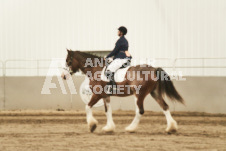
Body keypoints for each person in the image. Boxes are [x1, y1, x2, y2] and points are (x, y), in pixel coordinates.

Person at [105, 26, 132, 94]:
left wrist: (107, 56)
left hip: (120, 59)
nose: (117, 32)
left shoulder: (120, 40)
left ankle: (112, 88)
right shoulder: (125, 41)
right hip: (124, 58)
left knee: (108, 71)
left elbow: (115, 51)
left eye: (118, 31)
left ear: (121, 32)